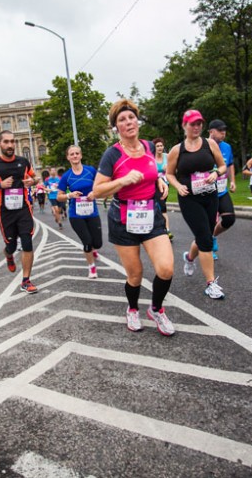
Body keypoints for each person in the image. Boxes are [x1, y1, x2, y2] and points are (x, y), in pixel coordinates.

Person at [93, 99, 175, 336]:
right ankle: (132, 309)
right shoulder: (112, 154)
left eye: (131, 117)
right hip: (123, 219)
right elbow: (97, 190)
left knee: (166, 268)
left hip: (151, 215)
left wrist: (158, 180)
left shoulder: (148, 146)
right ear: (116, 127)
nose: (128, 122)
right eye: (122, 120)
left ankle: (156, 309)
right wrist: (122, 181)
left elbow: (153, 170)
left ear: (137, 121)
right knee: (135, 274)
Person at [166, 109, 227, 300]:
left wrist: (216, 173)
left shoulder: (210, 144)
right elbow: (169, 174)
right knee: (205, 238)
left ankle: (189, 257)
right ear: (184, 126)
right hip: (189, 199)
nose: (196, 127)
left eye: (199, 123)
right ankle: (211, 284)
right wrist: (178, 186)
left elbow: (222, 165)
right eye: (192, 123)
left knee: (205, 234)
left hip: (210, 196)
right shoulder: (177, 150)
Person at [0, 130, 39, 294]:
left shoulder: (23, 162)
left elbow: (35, 177)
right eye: (6, 142)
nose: (10, 145)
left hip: (23, 208)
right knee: (11, 246)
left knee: (27, 242)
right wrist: (0, 185)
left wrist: (32, 181)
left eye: (12, 141)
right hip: (5, 212)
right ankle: (9, 255)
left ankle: (26, 281)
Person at [57, 145, 103, 279]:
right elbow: (59, 196)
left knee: (98, 243)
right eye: (72, 154)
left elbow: (100, 185)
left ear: (81, 155)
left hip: (92, 212)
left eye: (77, 153)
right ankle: (92, 267)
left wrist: (94, 193)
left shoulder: (90, 170)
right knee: (87, 242)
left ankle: (94, 250)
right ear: (68, 157)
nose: (75, 156)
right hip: (76, 215)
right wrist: (69, 195)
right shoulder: (66, 176)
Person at [207, 119, 237, 260]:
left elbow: (229, 164)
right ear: (211, 132)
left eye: (224, 130)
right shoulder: (202, 146)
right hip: (207, 192)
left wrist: (233, 181)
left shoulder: (227, 147)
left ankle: (213, 236)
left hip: (222, 190)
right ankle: (206, 249)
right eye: (220, 131)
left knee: (229, 219)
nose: (223, 133)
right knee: (209, 223)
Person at [152, 137, 173, 240]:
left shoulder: (167, 156)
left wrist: (168, 168)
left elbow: (175, 170)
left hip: (166, 184)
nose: (160, 148)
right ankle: (167, 230)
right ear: (154, 148)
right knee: (162, 206)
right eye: (157, 146)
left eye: (161, 145)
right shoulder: (151, 158)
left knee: (160, 206)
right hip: (155, 184)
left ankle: (159, 227)